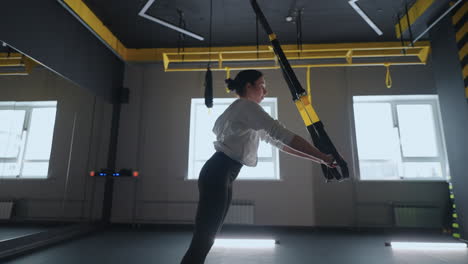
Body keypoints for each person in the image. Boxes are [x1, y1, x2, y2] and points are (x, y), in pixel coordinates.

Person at [180, 70, 335, 264]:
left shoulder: (242, 112)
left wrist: (319, 159)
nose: (265, 91)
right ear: (248, 87)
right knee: (203, 240)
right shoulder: (247, 107)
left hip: (220, 173)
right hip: (218, 173)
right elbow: (282, 133)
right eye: (261, 85)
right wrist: (322, 156)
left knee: (205, 239)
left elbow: (280, 142)